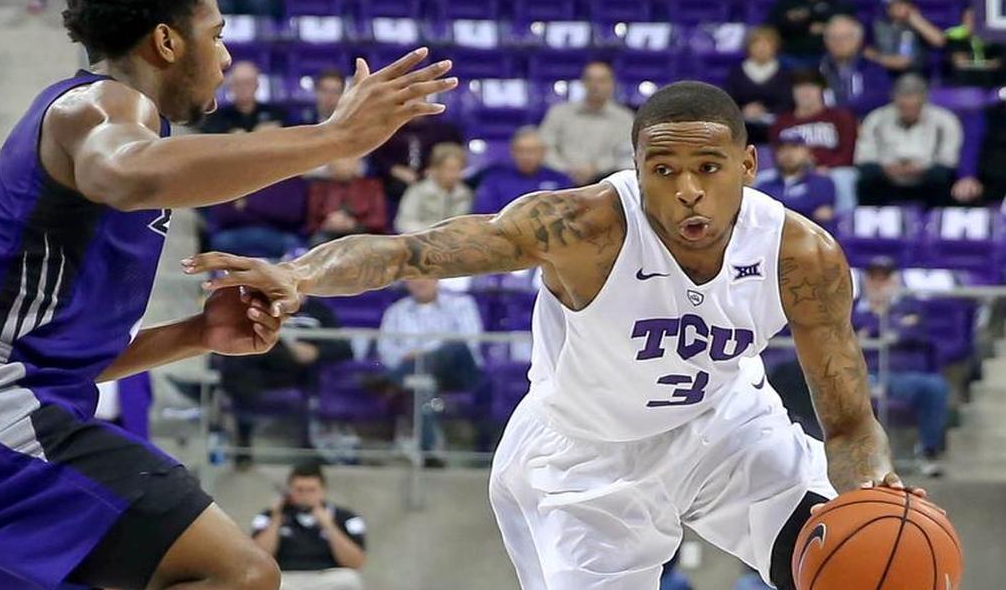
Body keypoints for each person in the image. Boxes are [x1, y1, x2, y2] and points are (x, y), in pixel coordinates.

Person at [0, 0, 455, 588]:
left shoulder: (96, 144)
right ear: (167, 40)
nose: (226, 57)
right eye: (218, 35)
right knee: (239, 574)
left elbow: (37, 362)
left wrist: (195, 336)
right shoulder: (98, 105)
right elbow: (121, 172)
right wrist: (334, 139)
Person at [186, 80, 917, 590]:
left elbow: (851, 421)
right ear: (636, 169)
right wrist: (300, 273)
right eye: (664, 169)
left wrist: (871, 488)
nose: (688, 189)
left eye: (708, 167)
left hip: (727, 431)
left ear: (748, 166)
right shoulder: (584, 226)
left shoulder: (803, 255)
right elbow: (413, 250)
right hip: (583, 460)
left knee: (868, 562)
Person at [218, 295, 351, 467]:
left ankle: (214, 391)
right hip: (262, 367)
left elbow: (344, 348)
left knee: (242, 367)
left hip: (298, 371)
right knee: (243, 357)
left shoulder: (319, 310)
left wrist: (316, 351)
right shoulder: (262, 306)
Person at [853, 257, 949, 477]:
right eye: (873, 278)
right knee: (849, 387)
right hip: (868, 374)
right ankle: (856, 459)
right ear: (865, 280)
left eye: (884, 278)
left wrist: (874, 330)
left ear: (894, 281)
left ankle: (928, 452)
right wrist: (887, 329)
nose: (878, 284)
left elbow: (914, 334)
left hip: (907, 377)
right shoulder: (852, 310)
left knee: (934, 387)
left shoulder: (911, 307)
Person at [377, 277, 483, 460]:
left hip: (457, 372)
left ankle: (393, 379)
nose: (420, 282)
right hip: (417, 373)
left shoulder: (462, 304)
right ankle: (429, 452)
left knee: (454, 347)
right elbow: (386, 350)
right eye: (412, 278)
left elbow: (470, 343)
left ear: (437, 279)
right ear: (406, 283)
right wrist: (416, 358)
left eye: (425, 277)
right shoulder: (396, 311)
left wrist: (420, 355)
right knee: (421, 383)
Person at [855, 73, 963, 208]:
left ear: (924, 100)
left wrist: (921, 169)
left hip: (927, 176)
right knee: (867, 179)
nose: (908, 110)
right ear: (894, 100)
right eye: (903, 106)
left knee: (941, 178)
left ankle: (935, 224)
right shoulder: (876, 119)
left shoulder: (945, 120)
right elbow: (864, 157)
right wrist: (887, 169)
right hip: (887, 176)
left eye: (914, 106)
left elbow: (949, 159)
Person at [252, 462, 366, 590]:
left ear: (323, 490)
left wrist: (328, 525)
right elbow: (258, 559)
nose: (305, 495)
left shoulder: (346, 517)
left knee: (349, 579)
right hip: (286, 576)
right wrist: (276, 518)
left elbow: (355, 562)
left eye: (311, 490)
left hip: (326, 576)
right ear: (289, 490)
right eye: (299, 490)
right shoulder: (268, 517)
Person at [768, 70, 858, 211]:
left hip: (831, 170)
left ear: (821, 90)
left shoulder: (840, 117)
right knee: (761, 179)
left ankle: (843, 224)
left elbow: (848, 150)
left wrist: (826, 167)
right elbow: (775, 152)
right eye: (800, 88)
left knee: (843, 178)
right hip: (791, 170)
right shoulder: (782, 121)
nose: (805, 92)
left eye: (810, 87)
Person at [539, 61, 635, 185]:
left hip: (606, 183)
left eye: (602, 80)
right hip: (561, 180)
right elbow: (543, 147)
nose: (595, 86)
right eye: (590, 80)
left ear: (612, 84)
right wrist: (566, 168)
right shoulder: (559, 113)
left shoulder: (625, 118)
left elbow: (626, 153)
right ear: (582, 83)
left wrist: (596, 168)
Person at [472, 126, 572, 215]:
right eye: (521, 151)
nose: (526, 156)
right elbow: (483, 217)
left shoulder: (561, 180)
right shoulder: (494, 179)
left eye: (532, 151)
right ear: (512, 152)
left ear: (543, 152)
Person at [368, 114, 464, 203]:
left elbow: (452, 150)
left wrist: (434, 169)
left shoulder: (440, 129)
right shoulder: (388, 127)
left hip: (429, 179)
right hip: (391, 182)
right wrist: (393, 169)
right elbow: (376, 155)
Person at [206, 176, 310, 258]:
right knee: (222, 241)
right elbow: (221, 215)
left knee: (294, 244)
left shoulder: (292, 181)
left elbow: (292, 215)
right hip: (234, 234)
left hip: (278, 234)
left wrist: (249, 206)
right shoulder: (235, 178)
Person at [724, 26, 792, 145]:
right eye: (757, 44)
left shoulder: (785, 74)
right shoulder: (736, 73)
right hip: (743, 128)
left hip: (776, 128)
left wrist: (765, 111)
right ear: (749, 47)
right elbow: (728, 100)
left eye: (767, 44)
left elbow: (788, 102)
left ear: (775, 47)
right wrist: (744, 111)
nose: (762, 48)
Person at [865, 0, 946, 78]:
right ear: (887, 8)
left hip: (915, 74)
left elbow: (940, 41)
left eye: (903, 3)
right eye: (894, 3)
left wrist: (916, 21)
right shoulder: (878, 25)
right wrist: (886, 60)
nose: (899, 7)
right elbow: (866, 52)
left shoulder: (919, 23)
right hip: (883, 74)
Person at [754, 132, 836, 225]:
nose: (788, 153)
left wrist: (781, 210)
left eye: (794, 147)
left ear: (807, 152)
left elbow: (823, 215)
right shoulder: (765, 187)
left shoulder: (822, 182)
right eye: (782, 149)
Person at [306, 157, 387, 247]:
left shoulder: (372, 186)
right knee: (318, 243)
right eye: (337, 162)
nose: (343, 166)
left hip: (363, 233)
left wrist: (353, 225)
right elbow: (313, 222)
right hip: (329, 233)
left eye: (348, 161)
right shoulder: (319, 188)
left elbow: (378, 220)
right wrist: (328, 223)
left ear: (356, 164)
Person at [393, 142, 473, 233]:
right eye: (450, 169)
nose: (455, 174)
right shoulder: (418, 191)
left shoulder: (464, 194)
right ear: (435, 169)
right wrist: (431, 235)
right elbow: (403, 223)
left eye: (459, 169)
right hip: (421, 240)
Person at [819, 15, 890, 114]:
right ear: (825, 41)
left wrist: (842, 111)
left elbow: (879, 99)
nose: (838, 42)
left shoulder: (873, 68)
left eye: (845, 37)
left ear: (858, 40)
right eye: (833, 38)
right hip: (828, 124)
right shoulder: (818, 69)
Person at [202, 61, 287, 134]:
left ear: (257, 85)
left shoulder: (276, 114)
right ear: (231, 86)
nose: (244, 88)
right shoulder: (216, 118)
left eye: (248, 83)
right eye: (238, 83)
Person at [944, 7, 1006, 88]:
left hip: (993, 79)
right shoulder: (956, 38)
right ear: (963, 21)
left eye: (975, 19)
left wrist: (972, 64)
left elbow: (997, 63)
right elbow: (960, 64)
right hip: (966, 79)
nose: (972, 23)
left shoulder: (995, 39)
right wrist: (987, 64)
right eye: (968, 19)